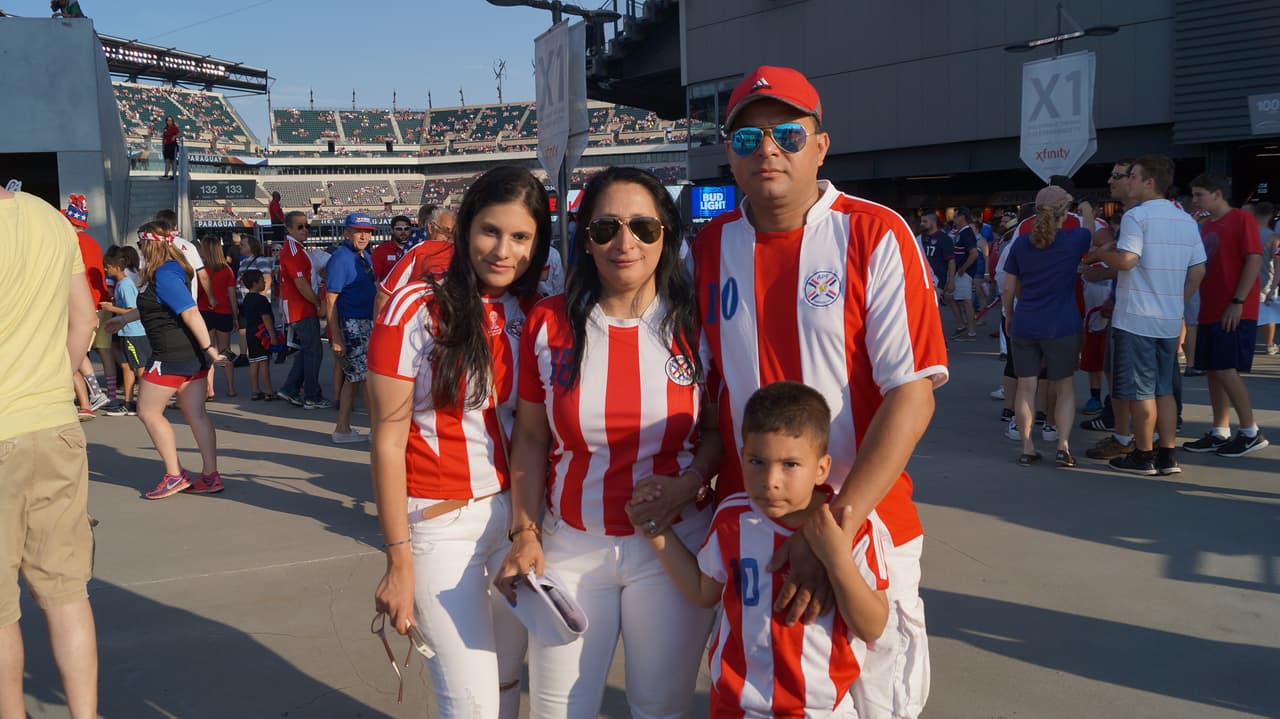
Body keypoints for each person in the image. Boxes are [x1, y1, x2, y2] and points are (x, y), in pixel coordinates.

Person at [692, 65, 947, 719]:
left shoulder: (874, 233)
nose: (768, 149)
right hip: (753, 529)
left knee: (881, 705)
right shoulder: (709, 248)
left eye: (786, 134)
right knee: (768, 698)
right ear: (730, 153)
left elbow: (912, 396)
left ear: (820, 145)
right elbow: (705, 396)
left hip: (866, 531)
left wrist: (829, 531)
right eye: (747, 139)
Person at [494, 167, 718, 718]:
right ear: (585, 240)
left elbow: (716, 432)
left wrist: (686, 485)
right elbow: (528, 436)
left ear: (667, 234)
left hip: (673, 548)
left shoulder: (697, 325)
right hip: (570, 545)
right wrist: (524, 532)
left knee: (659, 709)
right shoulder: (550, 324)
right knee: (556, 711)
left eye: (643, 226)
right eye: (605, 229)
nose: (626, 243)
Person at [368, 166, 551, 718]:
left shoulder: (534, 309)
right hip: (439, 528)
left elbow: (532, 434)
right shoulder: (415, 310)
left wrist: (526, 528)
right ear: (467, 227)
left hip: (515, 521)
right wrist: (398, 561)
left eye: (520, 237)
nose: (503, 250)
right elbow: (386, 441)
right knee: (469, 704)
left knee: (506, 687)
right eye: (490, 231)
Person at [632, 381, 889, 718]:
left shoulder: (852, 527)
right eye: (757, 462)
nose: (771, 480)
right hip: (734, 707)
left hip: (820, 710)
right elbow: (702, 590)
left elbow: (872, 627)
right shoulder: (732, 518)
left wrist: (836, 559)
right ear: (741, 457)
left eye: (790, 465)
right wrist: (655, 530)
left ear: (822, 467)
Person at [0, 184, 99, 719]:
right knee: (67, 593)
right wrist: (52, 384)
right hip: (55, 426)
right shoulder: (48, 218)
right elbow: (83, 320)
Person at [1085, 155, 1206, 476]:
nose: (1130, 181)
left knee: (1140, 391)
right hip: (1167, 318)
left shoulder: (1137, 216)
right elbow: (1198, 270)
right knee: (1163, 388)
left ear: (1149, 182)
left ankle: (1143, 454)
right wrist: (1177, 303)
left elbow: (1126, 260)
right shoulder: (1185, 220)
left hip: (1136, 316)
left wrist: (1100, 253)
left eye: (1134, 176)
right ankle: (1167, 454)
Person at [110, 223, 227, 497]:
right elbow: (160, 307)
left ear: (150, 245)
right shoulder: (173, 270)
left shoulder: (165, 274)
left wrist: (210, 348)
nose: (139, 251)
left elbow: (189, 312)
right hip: (188, 355)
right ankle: (210, 475)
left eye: (140, 246)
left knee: (147, 412)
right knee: (196, 414)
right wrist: (124, 319)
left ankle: (175, 475)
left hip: (172, 355)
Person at [1002, 186, 1098, 468]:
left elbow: (1009, 288)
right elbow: (1090, 234)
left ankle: (1027, 447)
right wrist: (1088, 211)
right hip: (1062, 323)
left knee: (1026, 388)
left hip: (1026, 321)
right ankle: (1063, 447)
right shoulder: (1073, 239)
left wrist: (1009, 315)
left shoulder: (1020, 243)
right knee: (1064, 387)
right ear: (1065, 212)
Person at [1180, 174, 1268, 457]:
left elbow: (1253, 258)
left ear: (1217, 194)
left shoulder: (1241, 219)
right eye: (1193, 195)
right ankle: (1221, 430)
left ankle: (1251, 431)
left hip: (1234, 307)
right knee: (1213, 371)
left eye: (1199, 194)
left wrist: (1238, 301)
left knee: (1227, 370)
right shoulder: (1205, 227)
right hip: (1210, 308)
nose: (1195, 200)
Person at [326, 213, 378, 444]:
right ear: (346, 233)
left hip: (363, 322)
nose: (364, 235)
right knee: (363, 377)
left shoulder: (362, 255)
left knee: (355, 378)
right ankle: (374, 429)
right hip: (353, 323)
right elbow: (330, 300)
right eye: (359, 231)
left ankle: (343, 428)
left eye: (367, 231)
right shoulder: (341, 258)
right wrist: (336, 335)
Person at [64, 195, 113, 419]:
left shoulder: (72, 242)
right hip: (101, 301)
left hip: (83, 303)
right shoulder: (92, 242)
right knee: (104, 351)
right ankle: (109, 392)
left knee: (75, 349)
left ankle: (94, 392)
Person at [276, 211, 330, 408]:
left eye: (307, 226)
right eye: (300, 226)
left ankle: (290, 388)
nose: (305, 230)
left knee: (308, 351)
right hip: (301, 308)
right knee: (314, 351)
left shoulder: (296, 248)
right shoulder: (292, 250)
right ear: (289, 229)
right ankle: (311, 395)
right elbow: (300, 283)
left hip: (300, 307)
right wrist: (317, 302)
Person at [374, 206, 456, 315]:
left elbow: (384, 295)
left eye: (453, 233)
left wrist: (380, 330)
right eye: (446, 231)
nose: (449, 238)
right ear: (431, 228)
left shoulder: (420, 251)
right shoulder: (469, 253)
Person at [100, 252, 149, 416]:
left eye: (107, 267)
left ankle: (144, 402)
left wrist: (111, 308)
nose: (106, 270)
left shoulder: (125, 285)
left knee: (139, 368)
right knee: (127, 366)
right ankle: (128, 401)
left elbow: (132, 310)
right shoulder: (122, 284)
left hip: (134, 332)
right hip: (126, 331)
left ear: (116, 267)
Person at [198, 236, 238, 399]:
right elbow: (232, 297)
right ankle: (230, 388)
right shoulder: (227, 270)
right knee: (225, 351)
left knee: (209, 351)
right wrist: (235, 317)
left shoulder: (200, 270)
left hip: (204, 313)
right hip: (223, 312)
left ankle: (210, 389)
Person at [239, 270, 277, 400]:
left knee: (254, 363)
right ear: (255, 283)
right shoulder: (261, 300)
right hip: (262, 335)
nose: (264, 282)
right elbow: (266, 319)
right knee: (264, 363)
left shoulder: (247, 299)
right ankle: (268, 391)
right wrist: (273, 336)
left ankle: (255, 390)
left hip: (251, 334)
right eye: (261, 280)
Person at [948, 206, 979, 340]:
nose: (954, 219)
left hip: (963, 272)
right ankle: (962, 325)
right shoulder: (958, 231)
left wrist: (963, 268)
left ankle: (971, 331)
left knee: (965, 301)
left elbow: (974, 253)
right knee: (951, 297)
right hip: (958, 270)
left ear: (962, 217)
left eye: (955, 216)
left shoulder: (966, 233)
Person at [1253, 202, 1279, 354]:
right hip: (1266, 282)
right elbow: (1278, 265)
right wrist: (1274, 287)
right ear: (1271, 216)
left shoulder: (1245, 233)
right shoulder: (1275, 238)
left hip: (1246, 281)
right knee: (1268, 316)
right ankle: (1269, 345)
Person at [918, 210, 954, 306]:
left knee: (931, 306)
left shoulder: (944, 239)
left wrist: (951, 280)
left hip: (938, 279)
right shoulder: (919, 239)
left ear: (933, 222)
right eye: (921, 221)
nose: (922, 224)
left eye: (925, 221)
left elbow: (951, 261)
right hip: (921, 279)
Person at [370, 214, 414, 281]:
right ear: (392, 230)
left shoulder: (416, 249)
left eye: (406, 229)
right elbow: (376, 278)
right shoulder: (380, 251)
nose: (403, 232)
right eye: (399, 229)